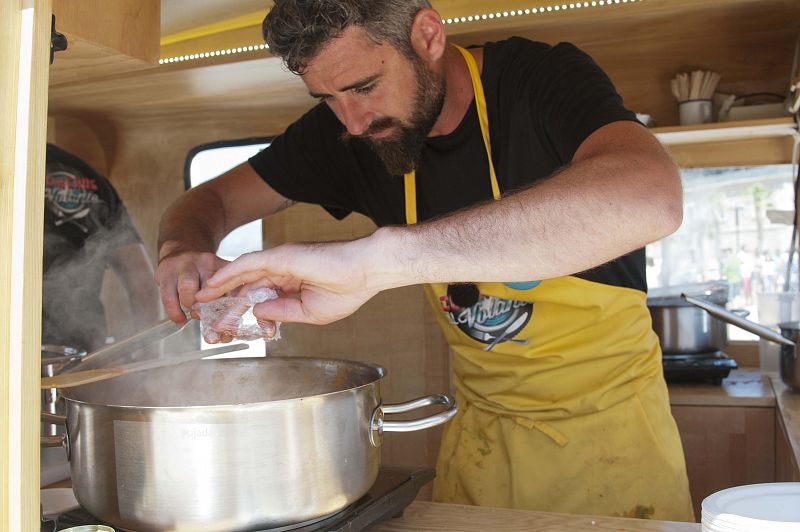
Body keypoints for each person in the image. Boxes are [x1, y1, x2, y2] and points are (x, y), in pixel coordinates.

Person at [156, 0, 693, 521]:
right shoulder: (348, 132)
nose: (354, 121)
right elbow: (209, 201)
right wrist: (182, 250)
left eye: (365, 87)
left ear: (429, 36)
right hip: (480, 444)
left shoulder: (540, 79)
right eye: (326, 98)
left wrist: (380, 260)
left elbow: (652, 196)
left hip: (613, 446)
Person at [43, 143, 160, 353]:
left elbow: (141, 283)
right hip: (82, 354)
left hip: (13, 358)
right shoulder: (88, 178)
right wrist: (150, 362)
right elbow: (141, 283)